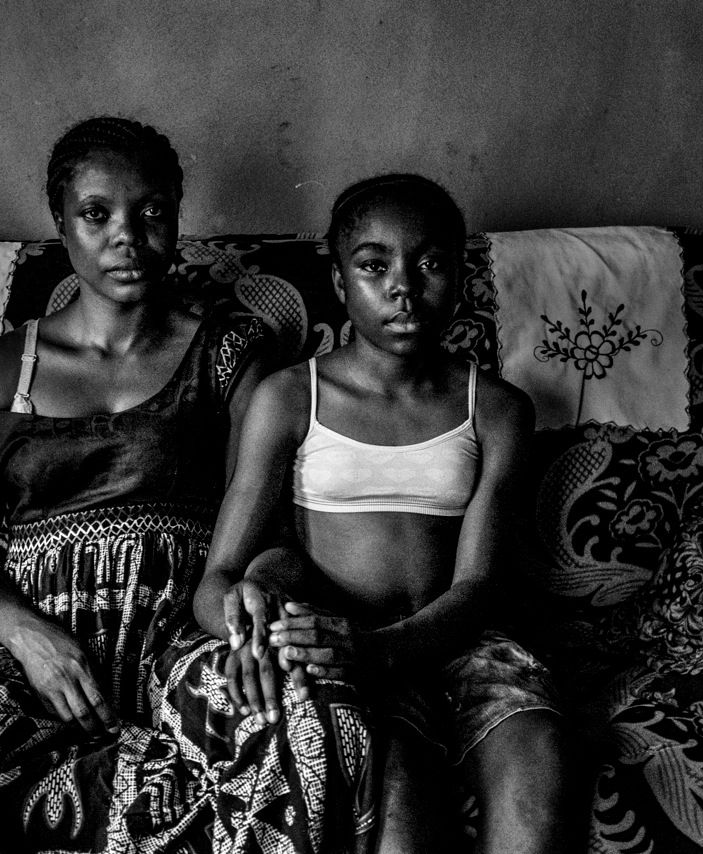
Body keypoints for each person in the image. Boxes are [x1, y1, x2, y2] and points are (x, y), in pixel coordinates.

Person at [0, 117, 375, 854]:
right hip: (41, 647)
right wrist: (28, 639)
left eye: (152, 213)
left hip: (183, 639)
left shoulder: (231, 353)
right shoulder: (2, 369)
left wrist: (257, 597)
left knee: (312, 723)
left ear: (175, 219)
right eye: (96, 214)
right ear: (60, 221)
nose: (127, 236)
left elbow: (274, 533)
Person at [193, 174, 574, 853]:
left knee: (538, 755)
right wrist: (249, 631)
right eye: (374, 266)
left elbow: (478, 585)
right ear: (340, 283)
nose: (403, 287)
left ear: (459, 278)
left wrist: (385, 649)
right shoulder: (290, 398)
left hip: (460, 642)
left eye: (430, 263)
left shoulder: (496, 408)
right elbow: (217, 579)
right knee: (394, 807)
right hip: (343, 649)